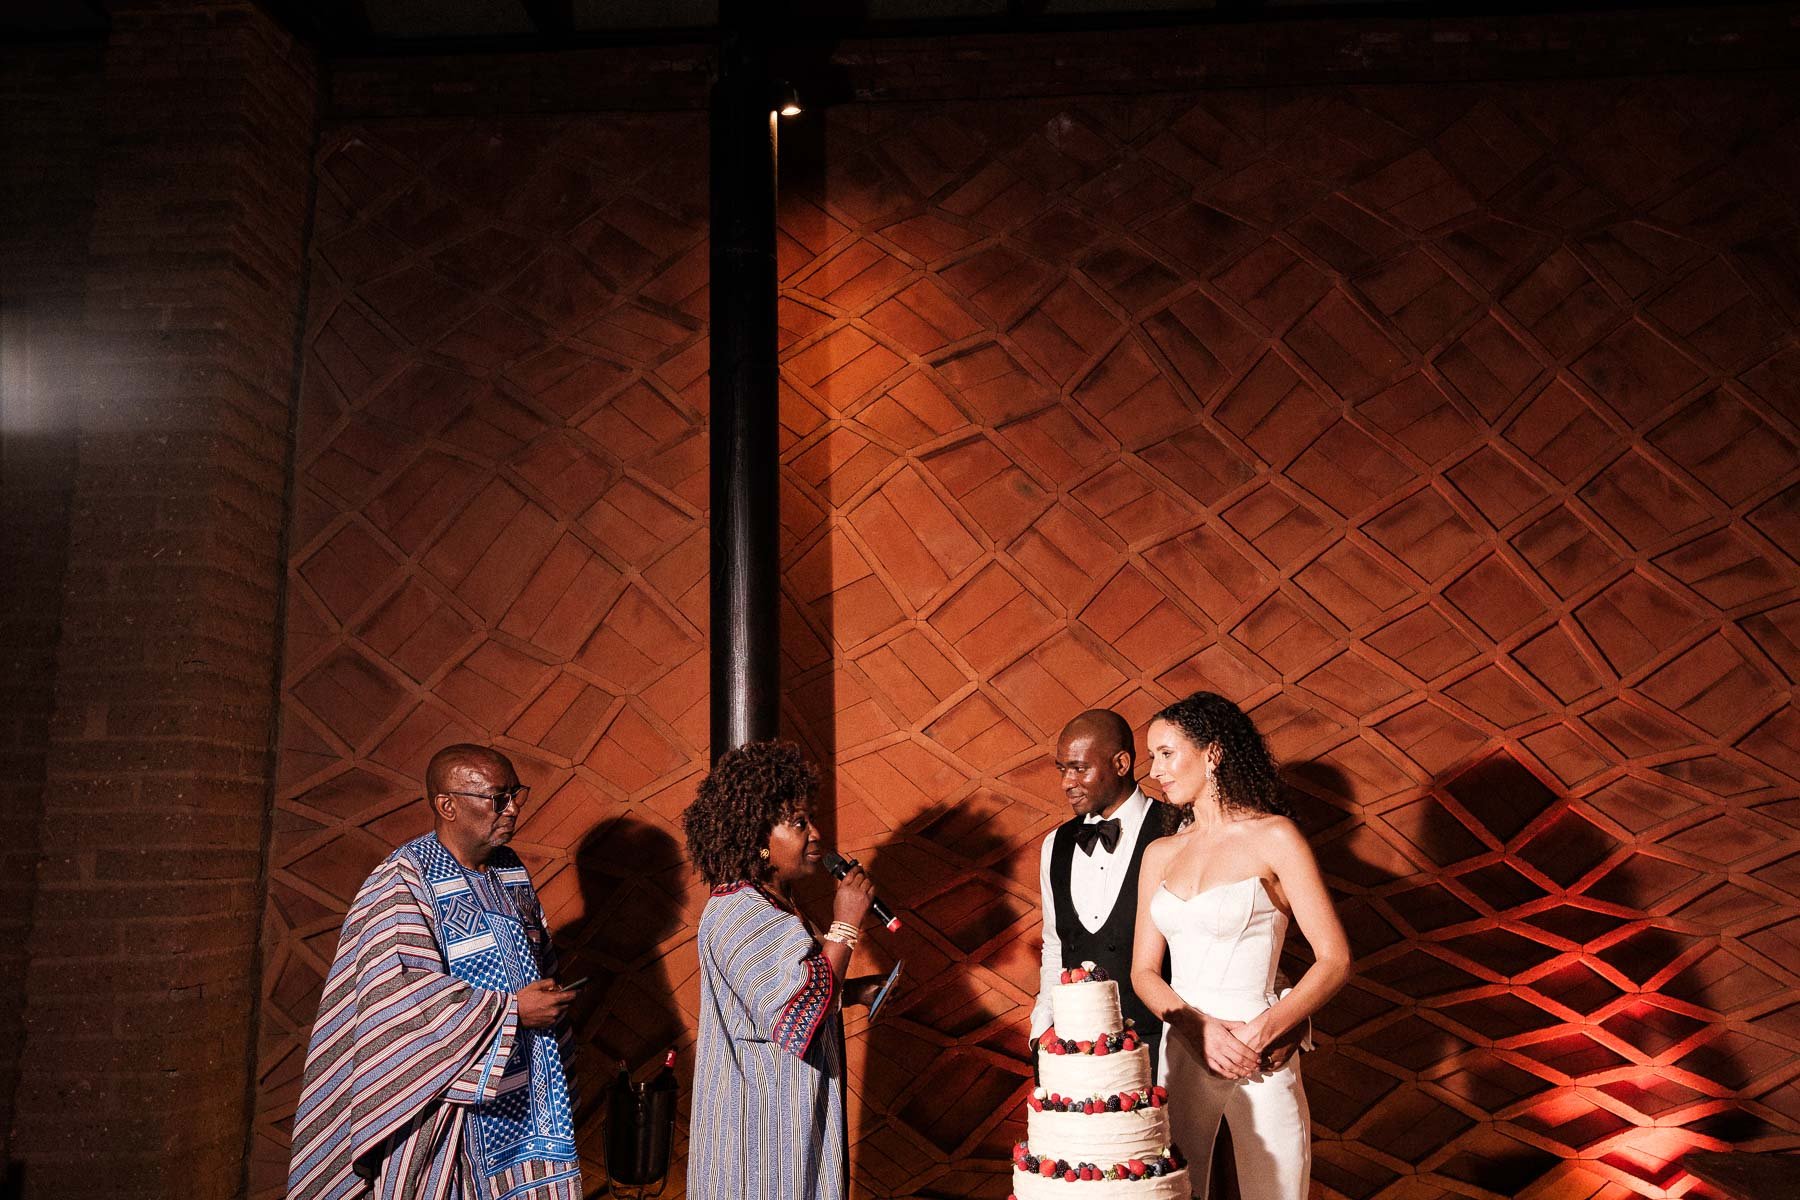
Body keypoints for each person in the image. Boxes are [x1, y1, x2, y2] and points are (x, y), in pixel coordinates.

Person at [286, 744, 580, 1200]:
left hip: (523, 1097)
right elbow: (399, 998)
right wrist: (512, 1012)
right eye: (497, 798)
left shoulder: (510, 870)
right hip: (441, 1106)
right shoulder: (403, 879)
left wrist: (546, 996)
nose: (513, 808)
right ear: (448, 805)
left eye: (516, 794)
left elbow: (533, 957)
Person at [1131, 692, 1351, 1200]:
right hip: (1184, 1047)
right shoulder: (1160, 853)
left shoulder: (1276, 837)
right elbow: (1144, 971)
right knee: (1174, 1194)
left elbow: (1335, 959)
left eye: (1167, 754)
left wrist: (1268, 1029)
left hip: (1262, 1049)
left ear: (1213, 753)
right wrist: (1195, 1027)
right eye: (1151, 757)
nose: (1156, 770)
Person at [682, 740, 884, 1200]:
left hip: (786, 1116)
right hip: (758, 1130)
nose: (815, 833)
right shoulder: (740, 912)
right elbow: (800, 1009)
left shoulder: (773, 905)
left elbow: (783, 995)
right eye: (797, 823)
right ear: (757, 839)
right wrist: (847, 921)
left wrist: (852, 992)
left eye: (810, 818)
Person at [1031, 709, 1177, 1076]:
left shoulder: (1178, 830)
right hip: (1073, 1051)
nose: (1067, 782)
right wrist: (1041, 1028)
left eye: (1080, 768)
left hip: (1162, 1045)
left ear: (1121, 763)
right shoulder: (1056, 844)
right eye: (1062, 768)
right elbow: (1055, 945)